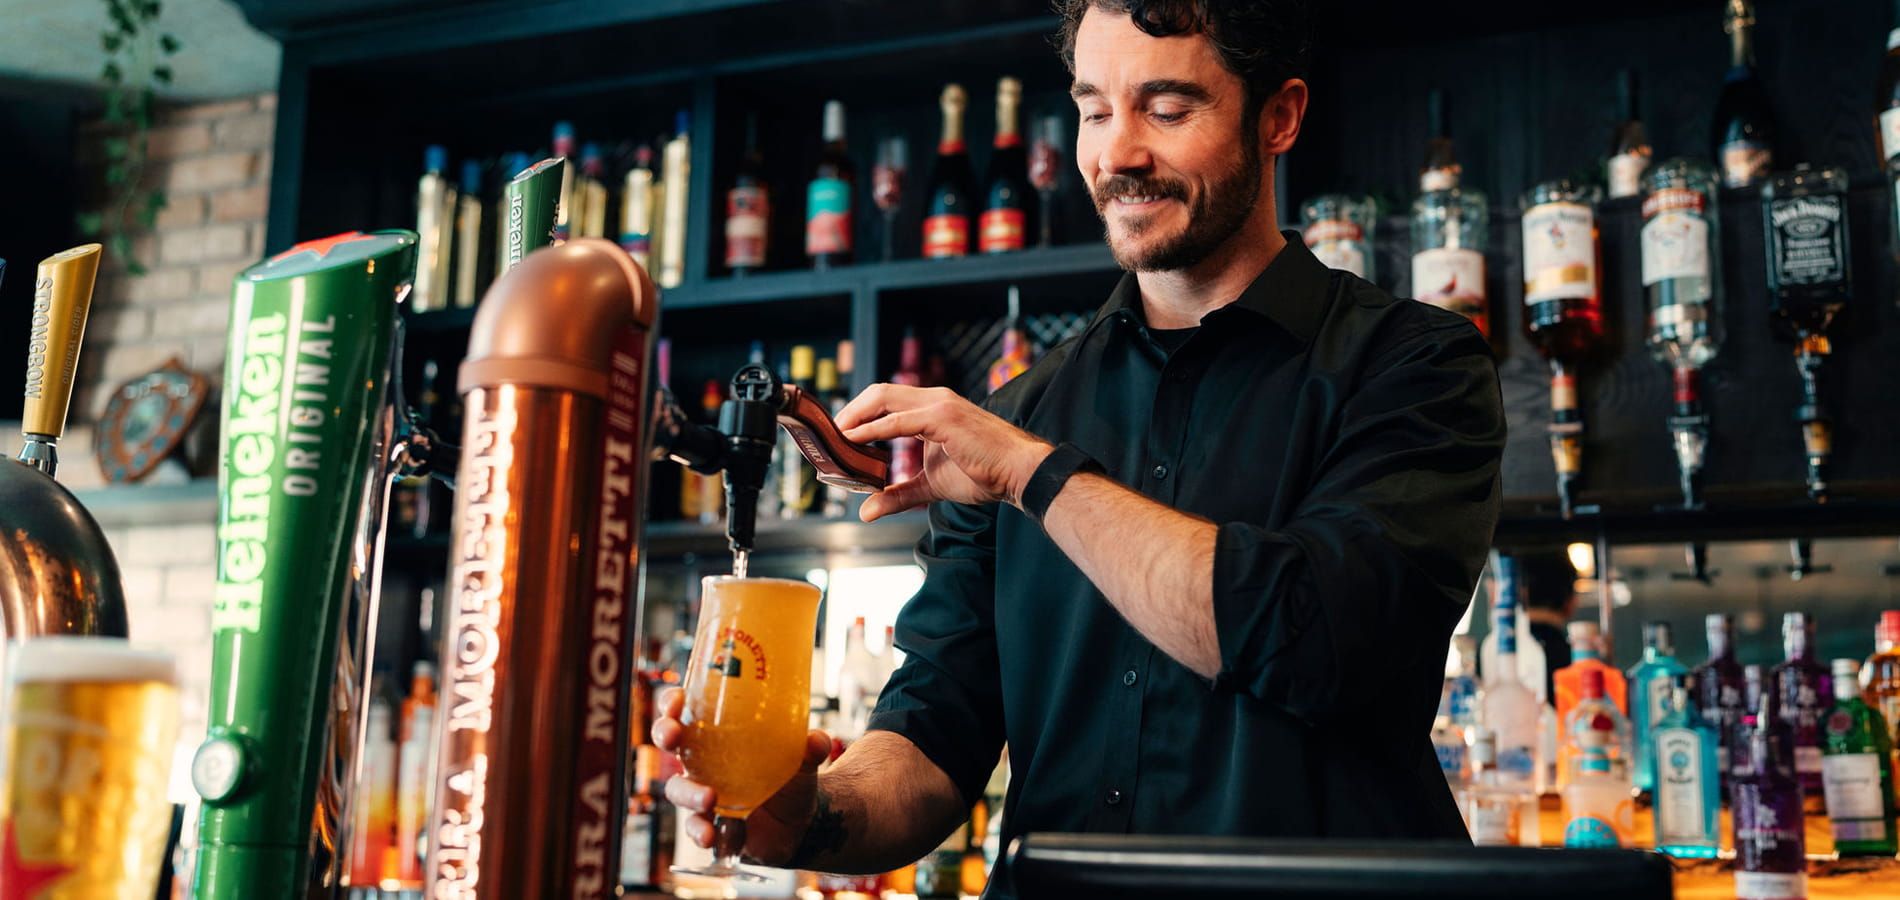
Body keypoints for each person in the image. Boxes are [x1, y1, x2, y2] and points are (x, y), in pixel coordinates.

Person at [654, 1, 1505, 894]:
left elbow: (1312, 634)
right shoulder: (1020, 410)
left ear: (1279, 117)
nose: (1118, 154)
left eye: (1168, 109)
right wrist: (802, 813)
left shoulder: (1414, 365)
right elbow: (933, 733)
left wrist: (1035, 474)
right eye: (1096, 109)